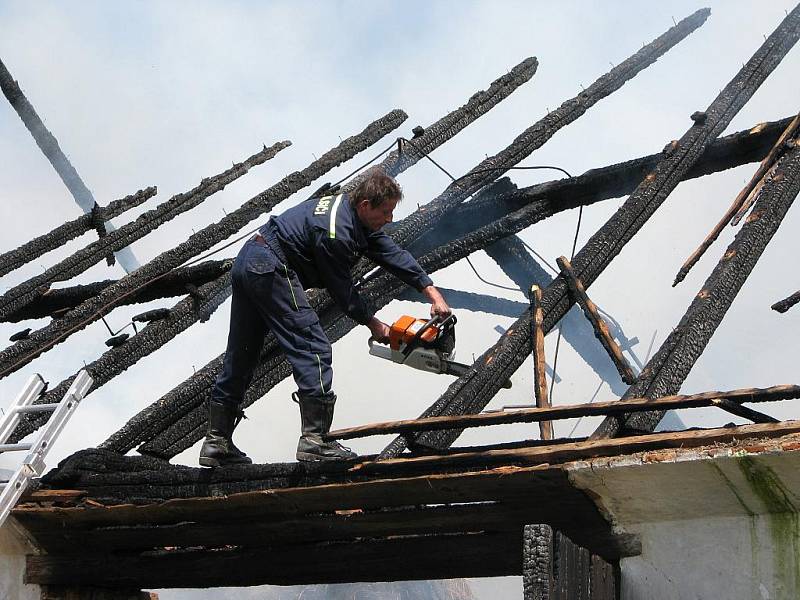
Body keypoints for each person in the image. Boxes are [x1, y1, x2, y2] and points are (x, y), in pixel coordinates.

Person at [200, 167, 450, 466]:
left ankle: (216, 443)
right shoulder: (336, 232)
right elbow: (342, 289)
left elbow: (391, 252)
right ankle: (315, 441)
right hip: (271, 267)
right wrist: (375, 324)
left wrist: (431, 292)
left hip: (251, 262)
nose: (389, 219)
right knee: (313, 347)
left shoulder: (351, 215)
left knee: (242, 353)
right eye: (385, 212)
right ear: (365, 206)